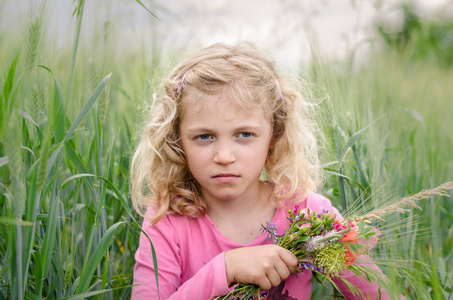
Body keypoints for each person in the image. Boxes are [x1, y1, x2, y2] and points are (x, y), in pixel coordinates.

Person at [131, 42, 390, 299]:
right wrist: (226, 268)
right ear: (178, 142)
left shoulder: (309, 215)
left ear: (273, 138)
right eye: (204, 137)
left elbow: (378, 295)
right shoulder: (165, 219)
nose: (224, 156)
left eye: (244, 134)